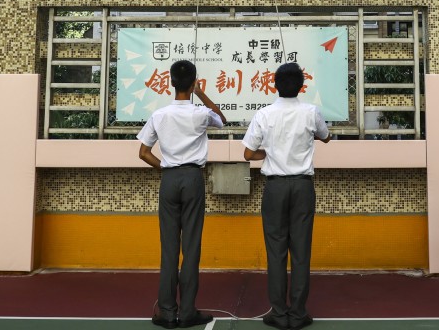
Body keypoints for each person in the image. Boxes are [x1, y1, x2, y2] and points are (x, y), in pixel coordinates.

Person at [138, 60, 227, 329]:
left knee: (169, 249)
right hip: (193, 178)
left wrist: (165, 166)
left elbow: (143, 153)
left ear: (170, 82)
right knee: (191, 247)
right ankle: (187, 311)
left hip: (169, 178)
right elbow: (222, 120)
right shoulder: (200, 114)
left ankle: (166, 311)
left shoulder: (159, 115)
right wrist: (201, 93)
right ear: (192, 84)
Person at [242, 62, 331, 330]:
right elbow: (325, 137)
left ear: (274, 85)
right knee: (301, 252)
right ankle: (299, 311)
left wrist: (268, 154)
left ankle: (279, 312)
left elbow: (248, 154)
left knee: (276, 251)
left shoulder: (264, 114)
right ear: (302, 86)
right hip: (303, 186)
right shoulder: (311, 112)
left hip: (275, 187)